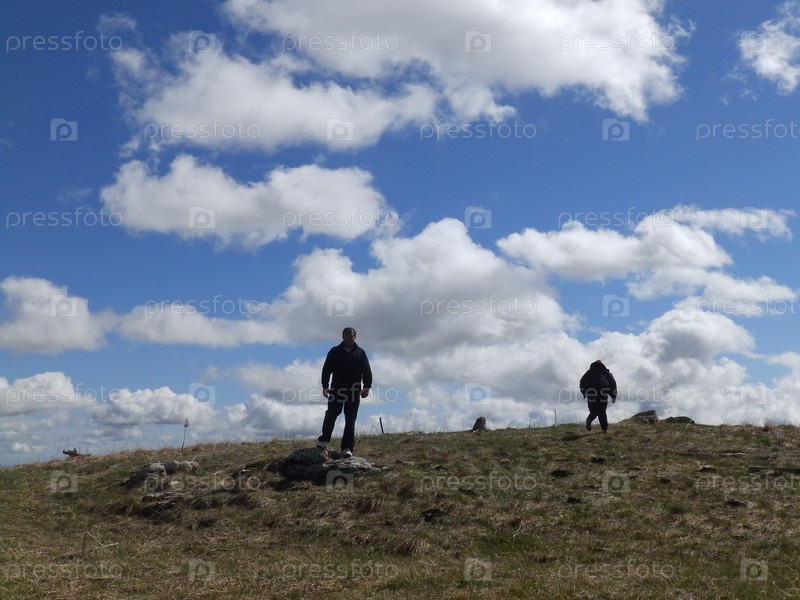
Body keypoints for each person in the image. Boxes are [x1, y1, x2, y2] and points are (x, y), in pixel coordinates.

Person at [316, 327, 372, 457]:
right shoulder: (334, 351)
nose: (349, 337)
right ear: (342, 337)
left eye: (351, 335)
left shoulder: (360, 353)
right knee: (331, 414)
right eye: (346, 335)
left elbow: (366, 371)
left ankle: (347, 448)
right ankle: (324, 440)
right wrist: (325, 386)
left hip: (354, 391)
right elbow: (326, 370)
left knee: (350, 419)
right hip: (337, 389)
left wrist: (367, 387)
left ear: (355, 337)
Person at [580, 360, 617, 433]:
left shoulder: (589, 372)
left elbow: (582, 381)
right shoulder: (605, 372)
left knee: (594, 410)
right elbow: (612, 382)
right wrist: (613, 395)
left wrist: (584, 392)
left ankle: (590, 419)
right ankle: (604, 428)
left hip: (591, 392)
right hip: (602, 391)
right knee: (602, 410)